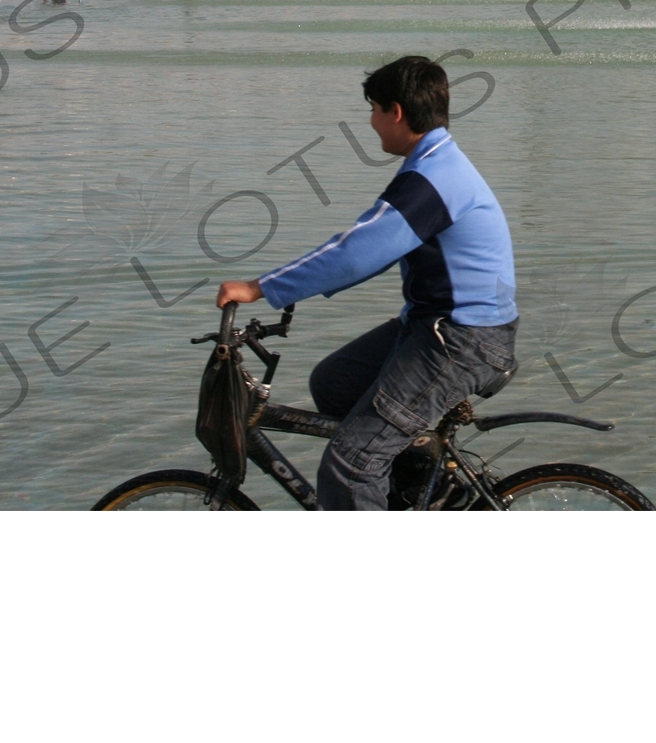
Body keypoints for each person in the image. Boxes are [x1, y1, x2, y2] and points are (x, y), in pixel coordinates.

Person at [215, 56, 518, 511]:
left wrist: (261, 287)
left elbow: (354, 253)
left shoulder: (431, 179)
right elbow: (371, 252)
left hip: (461, 339)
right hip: (438, 326)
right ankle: (428, 495)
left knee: (351, 463)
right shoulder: (436, 165)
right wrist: (292, 290)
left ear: (396, 112)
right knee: (335, 384)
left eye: (374, 109)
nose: (371, 122)